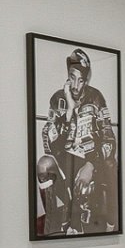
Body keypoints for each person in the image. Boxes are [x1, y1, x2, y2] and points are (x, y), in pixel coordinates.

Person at [41, 47, 113, 234]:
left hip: (90, 159)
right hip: (64, 159)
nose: (75, 85)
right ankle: (53, 222)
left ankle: (86, 223)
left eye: (81, 80)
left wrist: (91, 164)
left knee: (94, 177)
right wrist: (69, 112)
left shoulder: (96, 97)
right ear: (67, 75)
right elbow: (50, 143)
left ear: (86, 80)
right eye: (72, 78)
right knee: (43, 165)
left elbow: (109, 140)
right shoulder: (57, 99)